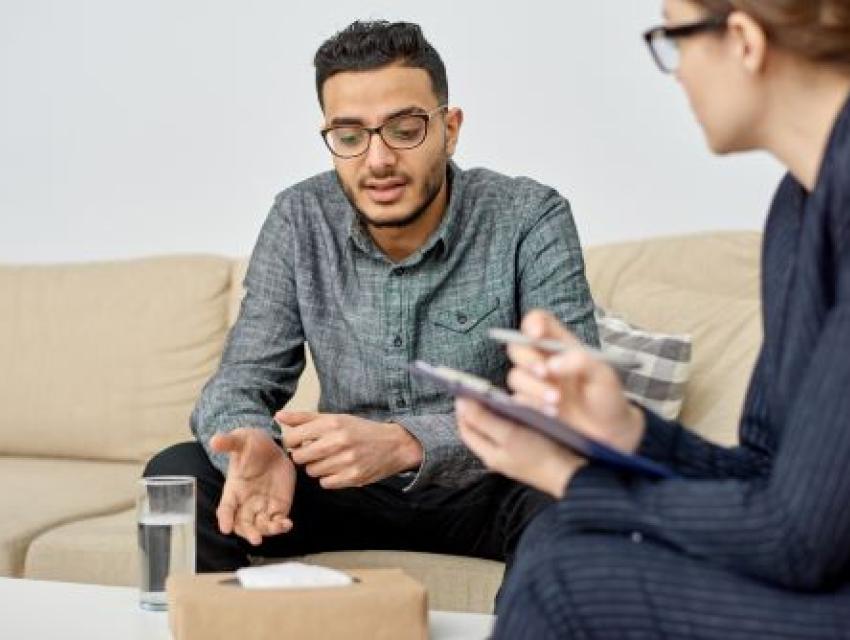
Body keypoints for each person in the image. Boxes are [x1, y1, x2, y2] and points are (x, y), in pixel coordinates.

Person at [143, 20, 598, 574]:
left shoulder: (529, 216)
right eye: (351, 135)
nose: (377, 160)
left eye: (404, 129)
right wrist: (257, 444)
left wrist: (409, 441)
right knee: (180, 474)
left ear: (449, 129)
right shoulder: (300, 218)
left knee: (579, 493)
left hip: (489, 486)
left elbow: (571, 408)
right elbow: (239, 383)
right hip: (340, 489)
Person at [456, 0, 850, 637]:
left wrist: (568, 474)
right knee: (559, 531)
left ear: (744, 40)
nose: (674, 73)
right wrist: (630, 431)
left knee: (569, 579)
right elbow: (765, 471)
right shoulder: (797, 210)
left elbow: (797, 538)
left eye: (674, 38)